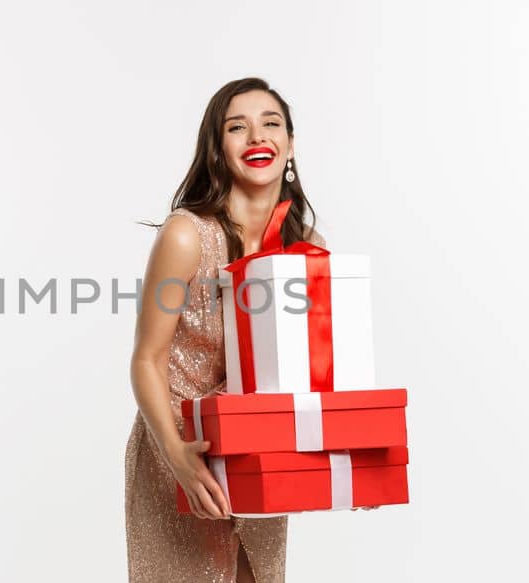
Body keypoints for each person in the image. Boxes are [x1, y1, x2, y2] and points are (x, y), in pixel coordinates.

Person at [123, 77, 372, 583]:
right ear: (218, 149)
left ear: (291, 145)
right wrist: (177, 456)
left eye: (271, 124)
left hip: (259, 450)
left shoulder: (307, 248)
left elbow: (315, 373)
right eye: (238, 127)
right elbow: (146, 358)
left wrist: (353, 466)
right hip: (180, 449)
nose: (257, 137)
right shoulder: (187, 235)